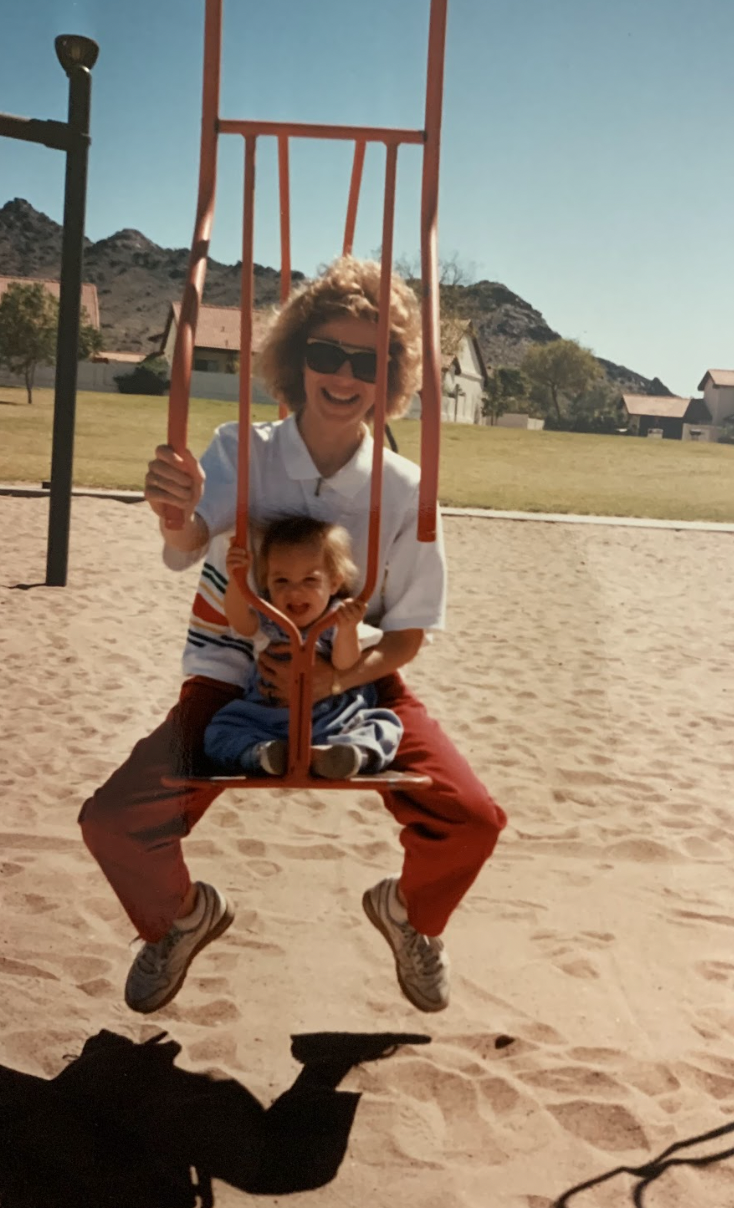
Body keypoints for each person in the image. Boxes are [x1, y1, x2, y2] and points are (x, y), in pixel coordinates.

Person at [78, 255, 507, 1016]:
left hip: (354, 681)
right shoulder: (242, 450)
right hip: (236, 672)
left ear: (391, 377)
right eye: (325, 353)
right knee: (114, 820)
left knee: (471, 817)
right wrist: (173, 510)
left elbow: (407, 635)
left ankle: (409, 914)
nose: (342, 376)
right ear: (295, 358)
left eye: (366, 362)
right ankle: (181, 917)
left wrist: (339, 677)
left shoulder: (404, 490)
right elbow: (189, 539)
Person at [203, 517, 404, 779]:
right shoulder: (269, 618)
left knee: (383, 725)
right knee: (221, 729)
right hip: (268, 716)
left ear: (334, 582)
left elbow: (344, 663)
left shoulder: (339, 617)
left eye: (310, 580)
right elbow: (240, 621)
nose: (295, 592)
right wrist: (237, 580)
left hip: (336, 719)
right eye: (281, 581)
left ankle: (346, 755)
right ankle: (265, 754)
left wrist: (347, 629)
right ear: (266, 583)